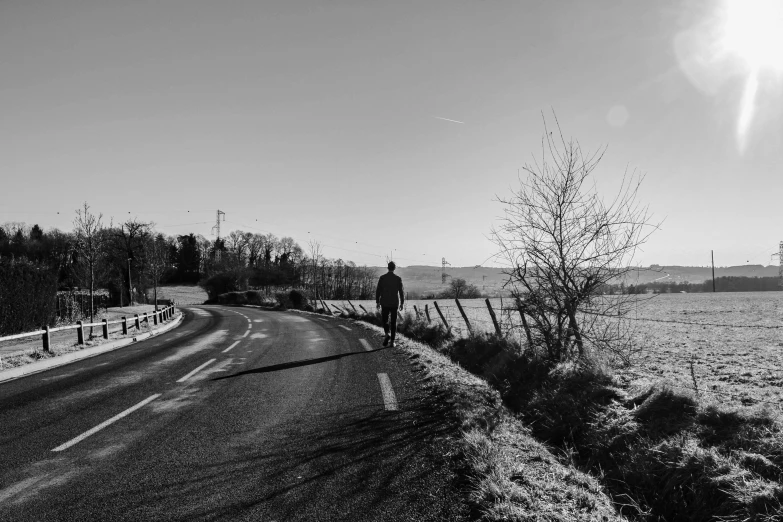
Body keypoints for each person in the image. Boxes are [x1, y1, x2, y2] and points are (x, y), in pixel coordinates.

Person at [376, 261, 404, 347]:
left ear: (388, 268)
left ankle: (387, 334)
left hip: (384, 302)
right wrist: (402, 303)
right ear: (394, 268)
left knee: (385, 320)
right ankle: (392, 341)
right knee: (393, 321)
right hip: (394, 303)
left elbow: (378, 291)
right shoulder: (398, 279)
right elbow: (401, 292)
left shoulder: (382, 278)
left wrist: (377, 302)